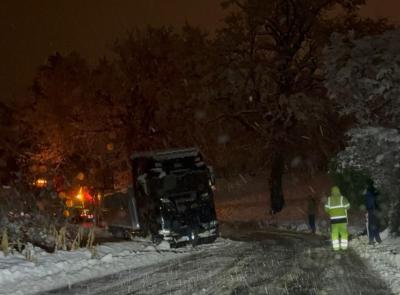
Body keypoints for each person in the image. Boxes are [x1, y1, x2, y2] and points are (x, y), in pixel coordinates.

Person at [324, 186, 351, 251]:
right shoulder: (342, 198)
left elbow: (326, 209)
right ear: (339, 191)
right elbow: (348, 207)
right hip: (342, 220)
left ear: (332, 192)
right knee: (343, 233)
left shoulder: (329, 199)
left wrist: (331, 211)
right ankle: (344, 247)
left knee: (334, 233)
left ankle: (336, 247)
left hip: (334, 220)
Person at [365, 180, 382, 245]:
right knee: (376, 224)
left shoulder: (369, 191)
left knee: (371, 225)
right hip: (376, 209)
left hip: (372, 210)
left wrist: (369, 209)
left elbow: (370, 201)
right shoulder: (375, 190)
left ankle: (371, 240)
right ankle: (378, 239)